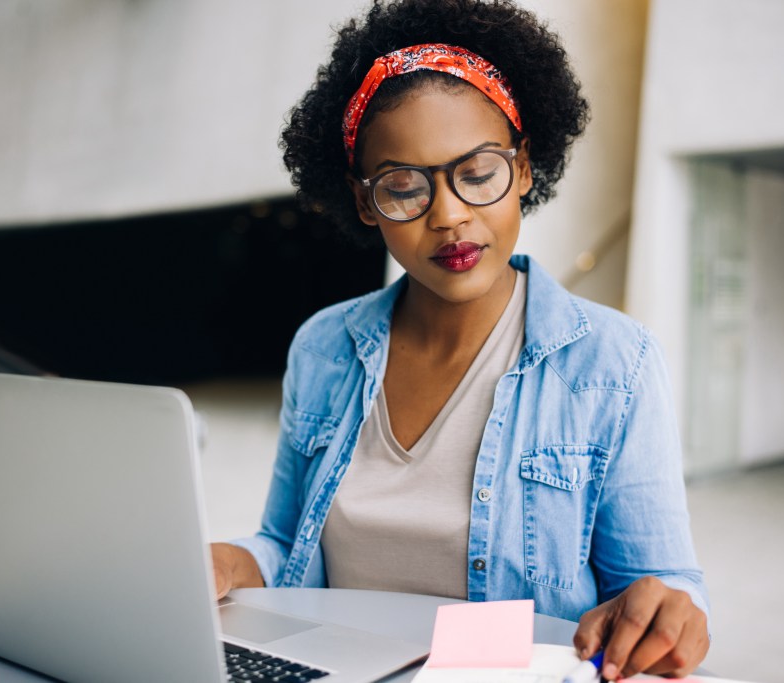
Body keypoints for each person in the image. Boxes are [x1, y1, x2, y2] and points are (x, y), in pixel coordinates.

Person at [211, 0, 710, 678]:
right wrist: (229, 561)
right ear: (365, 202)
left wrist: (662, 612)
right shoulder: (323, 347)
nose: (448, 215)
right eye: (403, 187)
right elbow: (284, 541)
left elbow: (658, 588)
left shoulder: (612, 364)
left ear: (525, 169)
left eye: (477, 174)